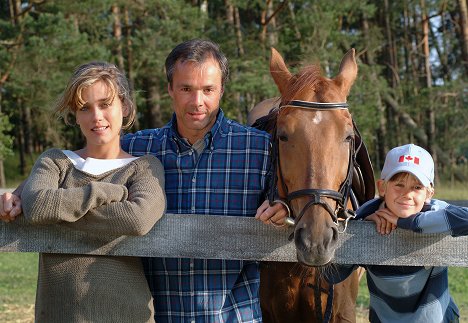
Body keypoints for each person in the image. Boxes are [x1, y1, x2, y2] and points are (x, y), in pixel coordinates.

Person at [1, 39, 286, 322]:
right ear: (169, 90)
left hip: (234, 315)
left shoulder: (261, 148)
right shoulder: (140, 149)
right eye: (186, 88)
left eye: (208, 90)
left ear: (222, 89)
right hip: (160, 314)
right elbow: (78, 165)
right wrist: (18, 194)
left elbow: (303, 198)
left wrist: (286, 208)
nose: (197, 101)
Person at [1, 61, 166, 322]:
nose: (96, 116)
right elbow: (38, 206)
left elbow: (137, 219)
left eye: (105, 104)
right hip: (59, 313)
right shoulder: (56, 161)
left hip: (127, 314)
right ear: (74, 115)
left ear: (124, 106)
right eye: (84, 108)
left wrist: (60, 213)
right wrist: (105, 192)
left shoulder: (144, 167)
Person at [328, 144, 467, 323]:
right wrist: (363, 231)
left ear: (429, 193)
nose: (407, 194)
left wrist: (408, 223)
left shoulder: (434, 211)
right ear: (383, 187)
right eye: (399, 184)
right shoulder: (366, 217)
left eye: (417, 187)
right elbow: (333, 275)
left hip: (437, 318)